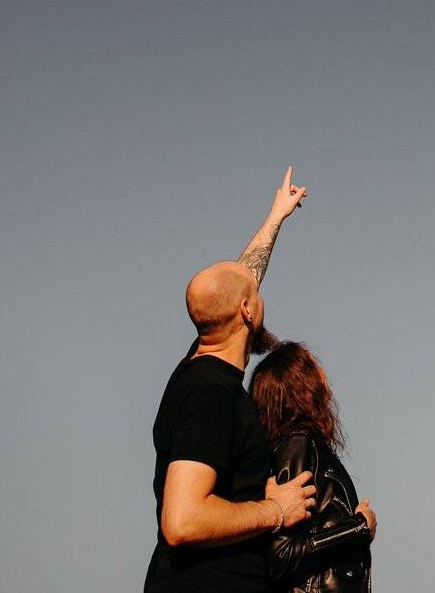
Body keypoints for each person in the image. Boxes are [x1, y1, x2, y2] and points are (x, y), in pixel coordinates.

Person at [145, 168, 316, 592]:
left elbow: (240, 280)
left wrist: (275, 217)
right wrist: (276, 510)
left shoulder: (197, 364)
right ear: (247, 311)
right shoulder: (211, 393)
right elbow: (182, 521)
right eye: (255, 294)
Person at [249, 343, 377, 593]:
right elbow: (281, 555)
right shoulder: (297, 445)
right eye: (313, 367)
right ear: (303, 387)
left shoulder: (307, 447)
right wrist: (358, 527)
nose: (324, 375)